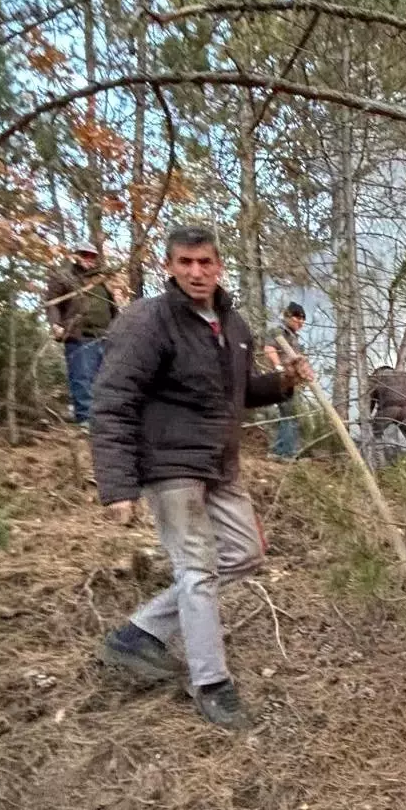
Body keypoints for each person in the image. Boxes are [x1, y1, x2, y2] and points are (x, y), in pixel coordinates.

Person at [89, 225, 314, 729]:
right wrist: (118, 484)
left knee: (245, 554)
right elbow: (112, 400)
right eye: (185, 263)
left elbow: (236, 394)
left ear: (219, 266)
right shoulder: (148, 321)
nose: (196, 272)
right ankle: (211, 684)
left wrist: (283, 382)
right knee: (196, 571)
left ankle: (138, 633)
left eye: (205, 263)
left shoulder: (232, 325)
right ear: (169, 266)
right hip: (169, 465)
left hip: (220, 463)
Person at [45, 242, 116, 427]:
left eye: (92, 256)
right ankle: (85, 419)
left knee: (106, 379)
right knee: (82, 377)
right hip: (79, 336)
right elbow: (52, 303)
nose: (89, 260)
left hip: (105, 336)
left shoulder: (101, 280)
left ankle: (103, 418)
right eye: (85, 255)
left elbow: (112, 307)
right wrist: (55, 324)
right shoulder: (64, 277)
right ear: (76, 256)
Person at [262, 302, 306, 460]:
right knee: (287, 413)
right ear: (288, 316)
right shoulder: (279, 331)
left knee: (291, 414)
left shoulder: (293, 336)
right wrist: (279, 367)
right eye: (297, 317)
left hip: (291, 381)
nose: (300, 321)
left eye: (303, 319)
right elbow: (269, 348)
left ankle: (288, 450)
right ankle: (281, 452)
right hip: (280, 379)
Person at [368, 365, 406, 452]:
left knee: (374, 435)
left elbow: (369, 400)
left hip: (388, 410)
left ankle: (378, 459)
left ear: (377, 372)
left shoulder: (377, 378)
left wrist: (367, 417)